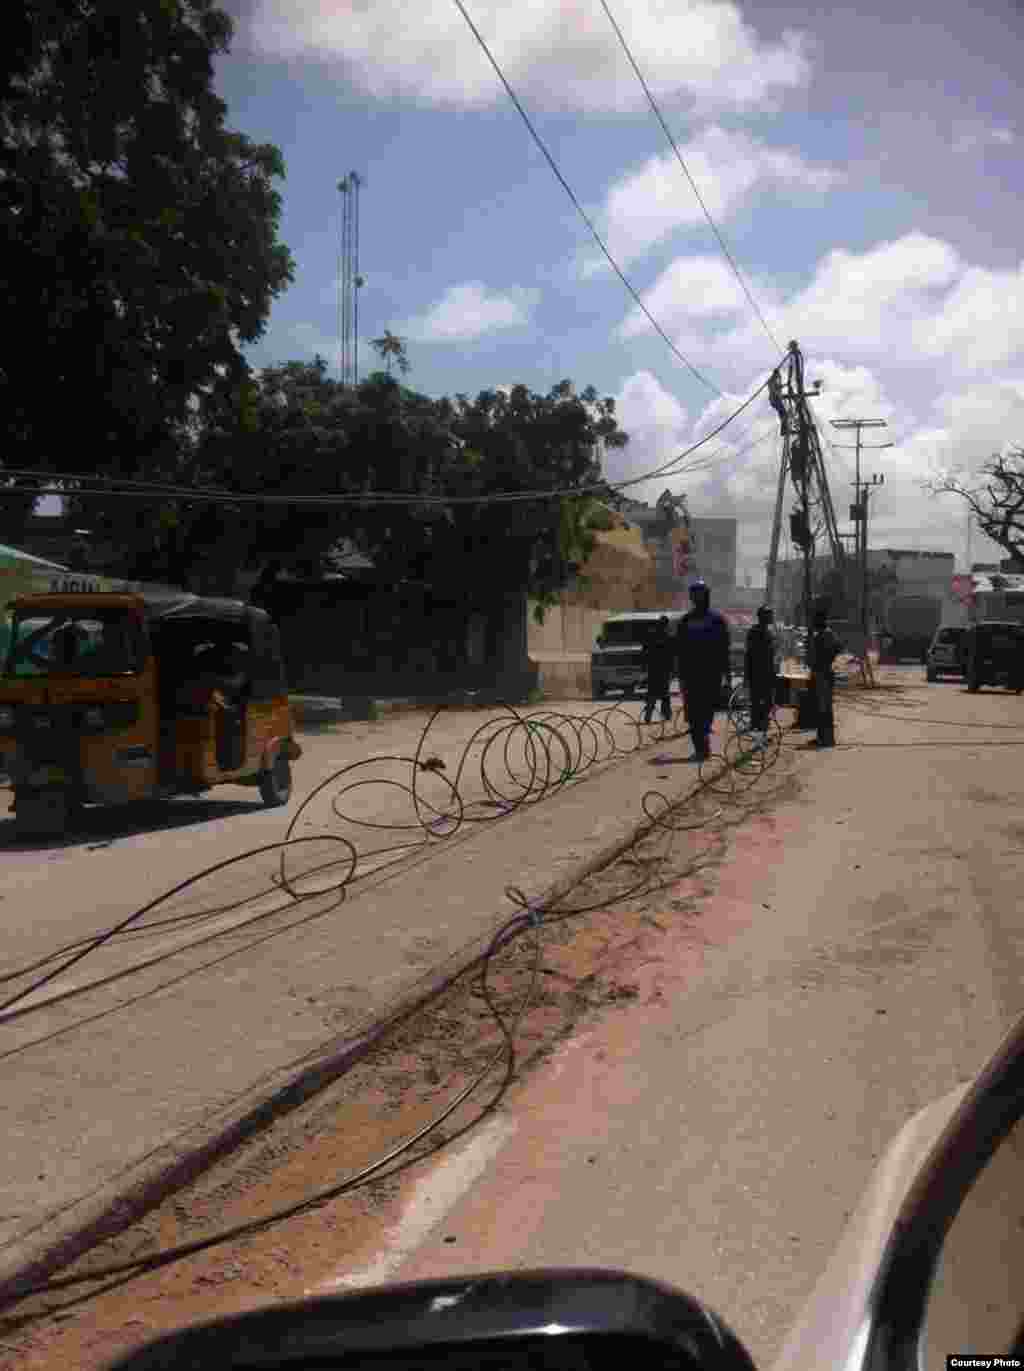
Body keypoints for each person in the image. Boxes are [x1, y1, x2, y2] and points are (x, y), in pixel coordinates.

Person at [677, 580, 731, 762]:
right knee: (693, 715)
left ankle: (703, 744)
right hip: (691, 676)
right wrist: (680, 675)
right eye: (695, 595)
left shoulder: (717, 620)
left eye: (701, 595)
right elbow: (680, 649)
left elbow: (725, 649)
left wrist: (727, 675)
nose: (698, 599)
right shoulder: (685, 621)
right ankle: (700, 747)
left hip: (711, 675)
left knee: (706, 712)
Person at [808, 602, 844, 748]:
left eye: (815, 620)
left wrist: (826, 659)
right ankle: (823, 737)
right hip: (821, 673)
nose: (814, 623)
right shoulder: (823, 634)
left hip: (824, 674)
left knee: (824, 708)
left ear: (820, 621)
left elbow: (838, 648)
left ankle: (827, 739)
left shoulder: (826, 634)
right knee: (822, 708)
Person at [745, 605, 778, 746]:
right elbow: (750, 654)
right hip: (761, 674)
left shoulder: (762, 632)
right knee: (763, 704)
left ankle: (759, 731)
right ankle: (761, 733)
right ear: (763, 616)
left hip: (760, 673)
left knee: (759, 704)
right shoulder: (759, 632)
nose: (771, 617)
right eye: (769, 615)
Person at [642, 616, 675, 724]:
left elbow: (644, 652)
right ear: (666, 625)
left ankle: (649, 714)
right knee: (664, 693)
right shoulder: (667, 637)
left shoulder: (650, 636)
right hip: (663, 670)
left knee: (652, 693)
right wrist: (673, 670)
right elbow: (671, 655)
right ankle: (666, 714)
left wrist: (644, 666)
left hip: (653, 669)